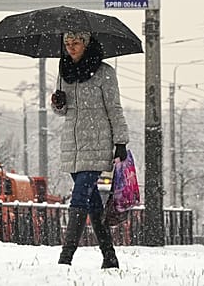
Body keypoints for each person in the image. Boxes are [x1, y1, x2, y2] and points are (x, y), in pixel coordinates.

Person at [50, 31, 129, 269]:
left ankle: (65, 258)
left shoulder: (104, 73)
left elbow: (114, 107)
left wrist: (121, 142)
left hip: (98, 142)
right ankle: (110, 256)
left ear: (86, 44)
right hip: (72, 145)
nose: (71, 48)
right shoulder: (64, 72)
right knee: (93, 202)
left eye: (75, 43)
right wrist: (57, 104)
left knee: (80, 195)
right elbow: (62, 112)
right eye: (67, 44)